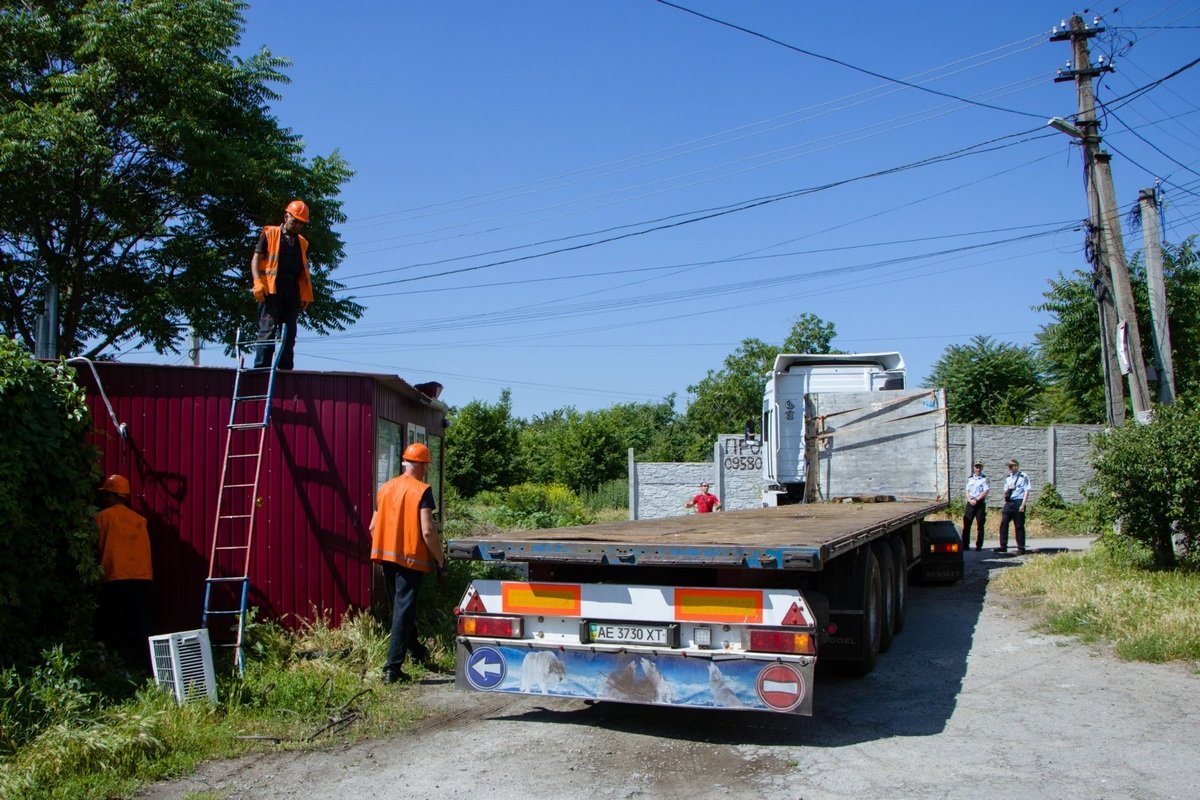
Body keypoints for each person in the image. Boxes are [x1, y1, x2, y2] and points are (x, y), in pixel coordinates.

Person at [369, 442, 446, 683]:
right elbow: (428, 531)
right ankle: (392, 669)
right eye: (426, 465)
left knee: (402, 609)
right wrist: (440, 560)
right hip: (411, 560)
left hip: (387, 558)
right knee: (403, 611)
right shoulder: (422, 490)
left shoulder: (385, 488)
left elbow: (372, 527)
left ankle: (417, 651)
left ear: (405, 462)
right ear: (422, 465)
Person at [95, 474, 153, 667]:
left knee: (111, 621)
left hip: (115, 576)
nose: (103, 499)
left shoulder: (102, 517)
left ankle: (112, 663)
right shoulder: (140, 520)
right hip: (142, 577)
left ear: (112, 496)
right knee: (141, 622)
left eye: (105, 495)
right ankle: (149, 664)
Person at [249, 200, 315, 370]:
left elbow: (302, 271)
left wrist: (304, 294)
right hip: (271, 292)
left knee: (289, 334)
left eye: (301, 223)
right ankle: (261, 370)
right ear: (286, 217)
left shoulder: (302, 243)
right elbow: (256, 259)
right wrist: (257, 282)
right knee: (267, 332)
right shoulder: (270, 233)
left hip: (291, 293)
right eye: (295, 221)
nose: (297, 225)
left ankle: (285, 371)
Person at [996, 458, 1031, 555]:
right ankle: (1003, 546)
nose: (1009, 468)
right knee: (1003, 523)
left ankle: (1021, 548)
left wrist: (1023, 504)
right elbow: (1005, 492)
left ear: (1016, 466)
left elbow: (1027, 491)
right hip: (1009, 502)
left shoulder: (1023, 476)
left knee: (1019, 525)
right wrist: (1009, 489)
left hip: (1018, 501)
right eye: (1009, 466)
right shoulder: (1008, 478)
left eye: (1011, 466)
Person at [963, 461, 989, 551]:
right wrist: (969, 500)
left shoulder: (984, 479)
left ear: (982, 468)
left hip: (979, 503)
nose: (978, 469)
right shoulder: (970, 478)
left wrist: (977, 499)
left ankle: (979, 545)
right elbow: (967, 491)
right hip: (970, 503)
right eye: (976, 467)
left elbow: (985, 491)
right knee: (967, 524)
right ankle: (965, 545)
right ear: (974, 468)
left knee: (980, 525)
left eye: (979, 467)